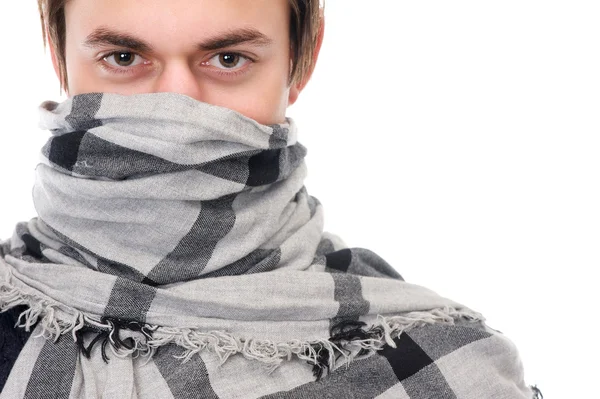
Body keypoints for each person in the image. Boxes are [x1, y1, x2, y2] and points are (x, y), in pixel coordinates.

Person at [0, 1, 542, 398]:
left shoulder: (436, 361)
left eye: (229, 59)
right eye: (123, 56)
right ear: (58, 56)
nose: (178, 106)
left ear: (300, 63)